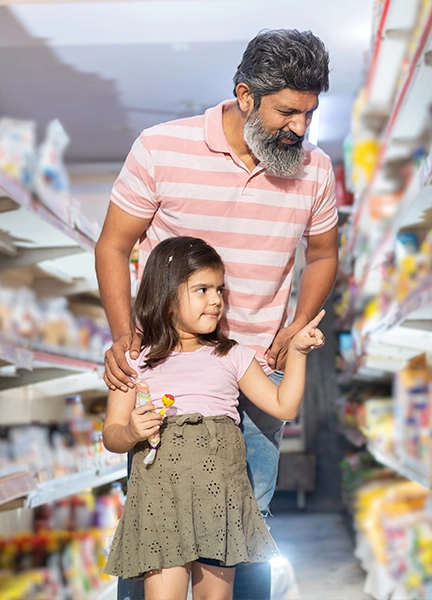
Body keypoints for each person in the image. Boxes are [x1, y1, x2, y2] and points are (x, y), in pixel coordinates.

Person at [94, 29, 338, 598]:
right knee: (159, 522)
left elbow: (323, 253)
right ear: (245, 94)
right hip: (172, 371)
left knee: (248, 524)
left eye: (309, 113)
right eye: (287, 112)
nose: (299, 128)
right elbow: (112, 245)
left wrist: (297, 325)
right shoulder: (160, 147)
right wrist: (124, 335)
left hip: (255, 368)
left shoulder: (315, 170)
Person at [102, 236, 326, 600]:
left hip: (219, 501)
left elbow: (284, 406)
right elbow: (111, 435)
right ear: (165, 292)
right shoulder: (134, 363)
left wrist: (298, 352)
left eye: (220, 289)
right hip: (160, 503)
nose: (216, 300)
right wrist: (130, 431)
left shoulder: (233, 355)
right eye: (202, 289)